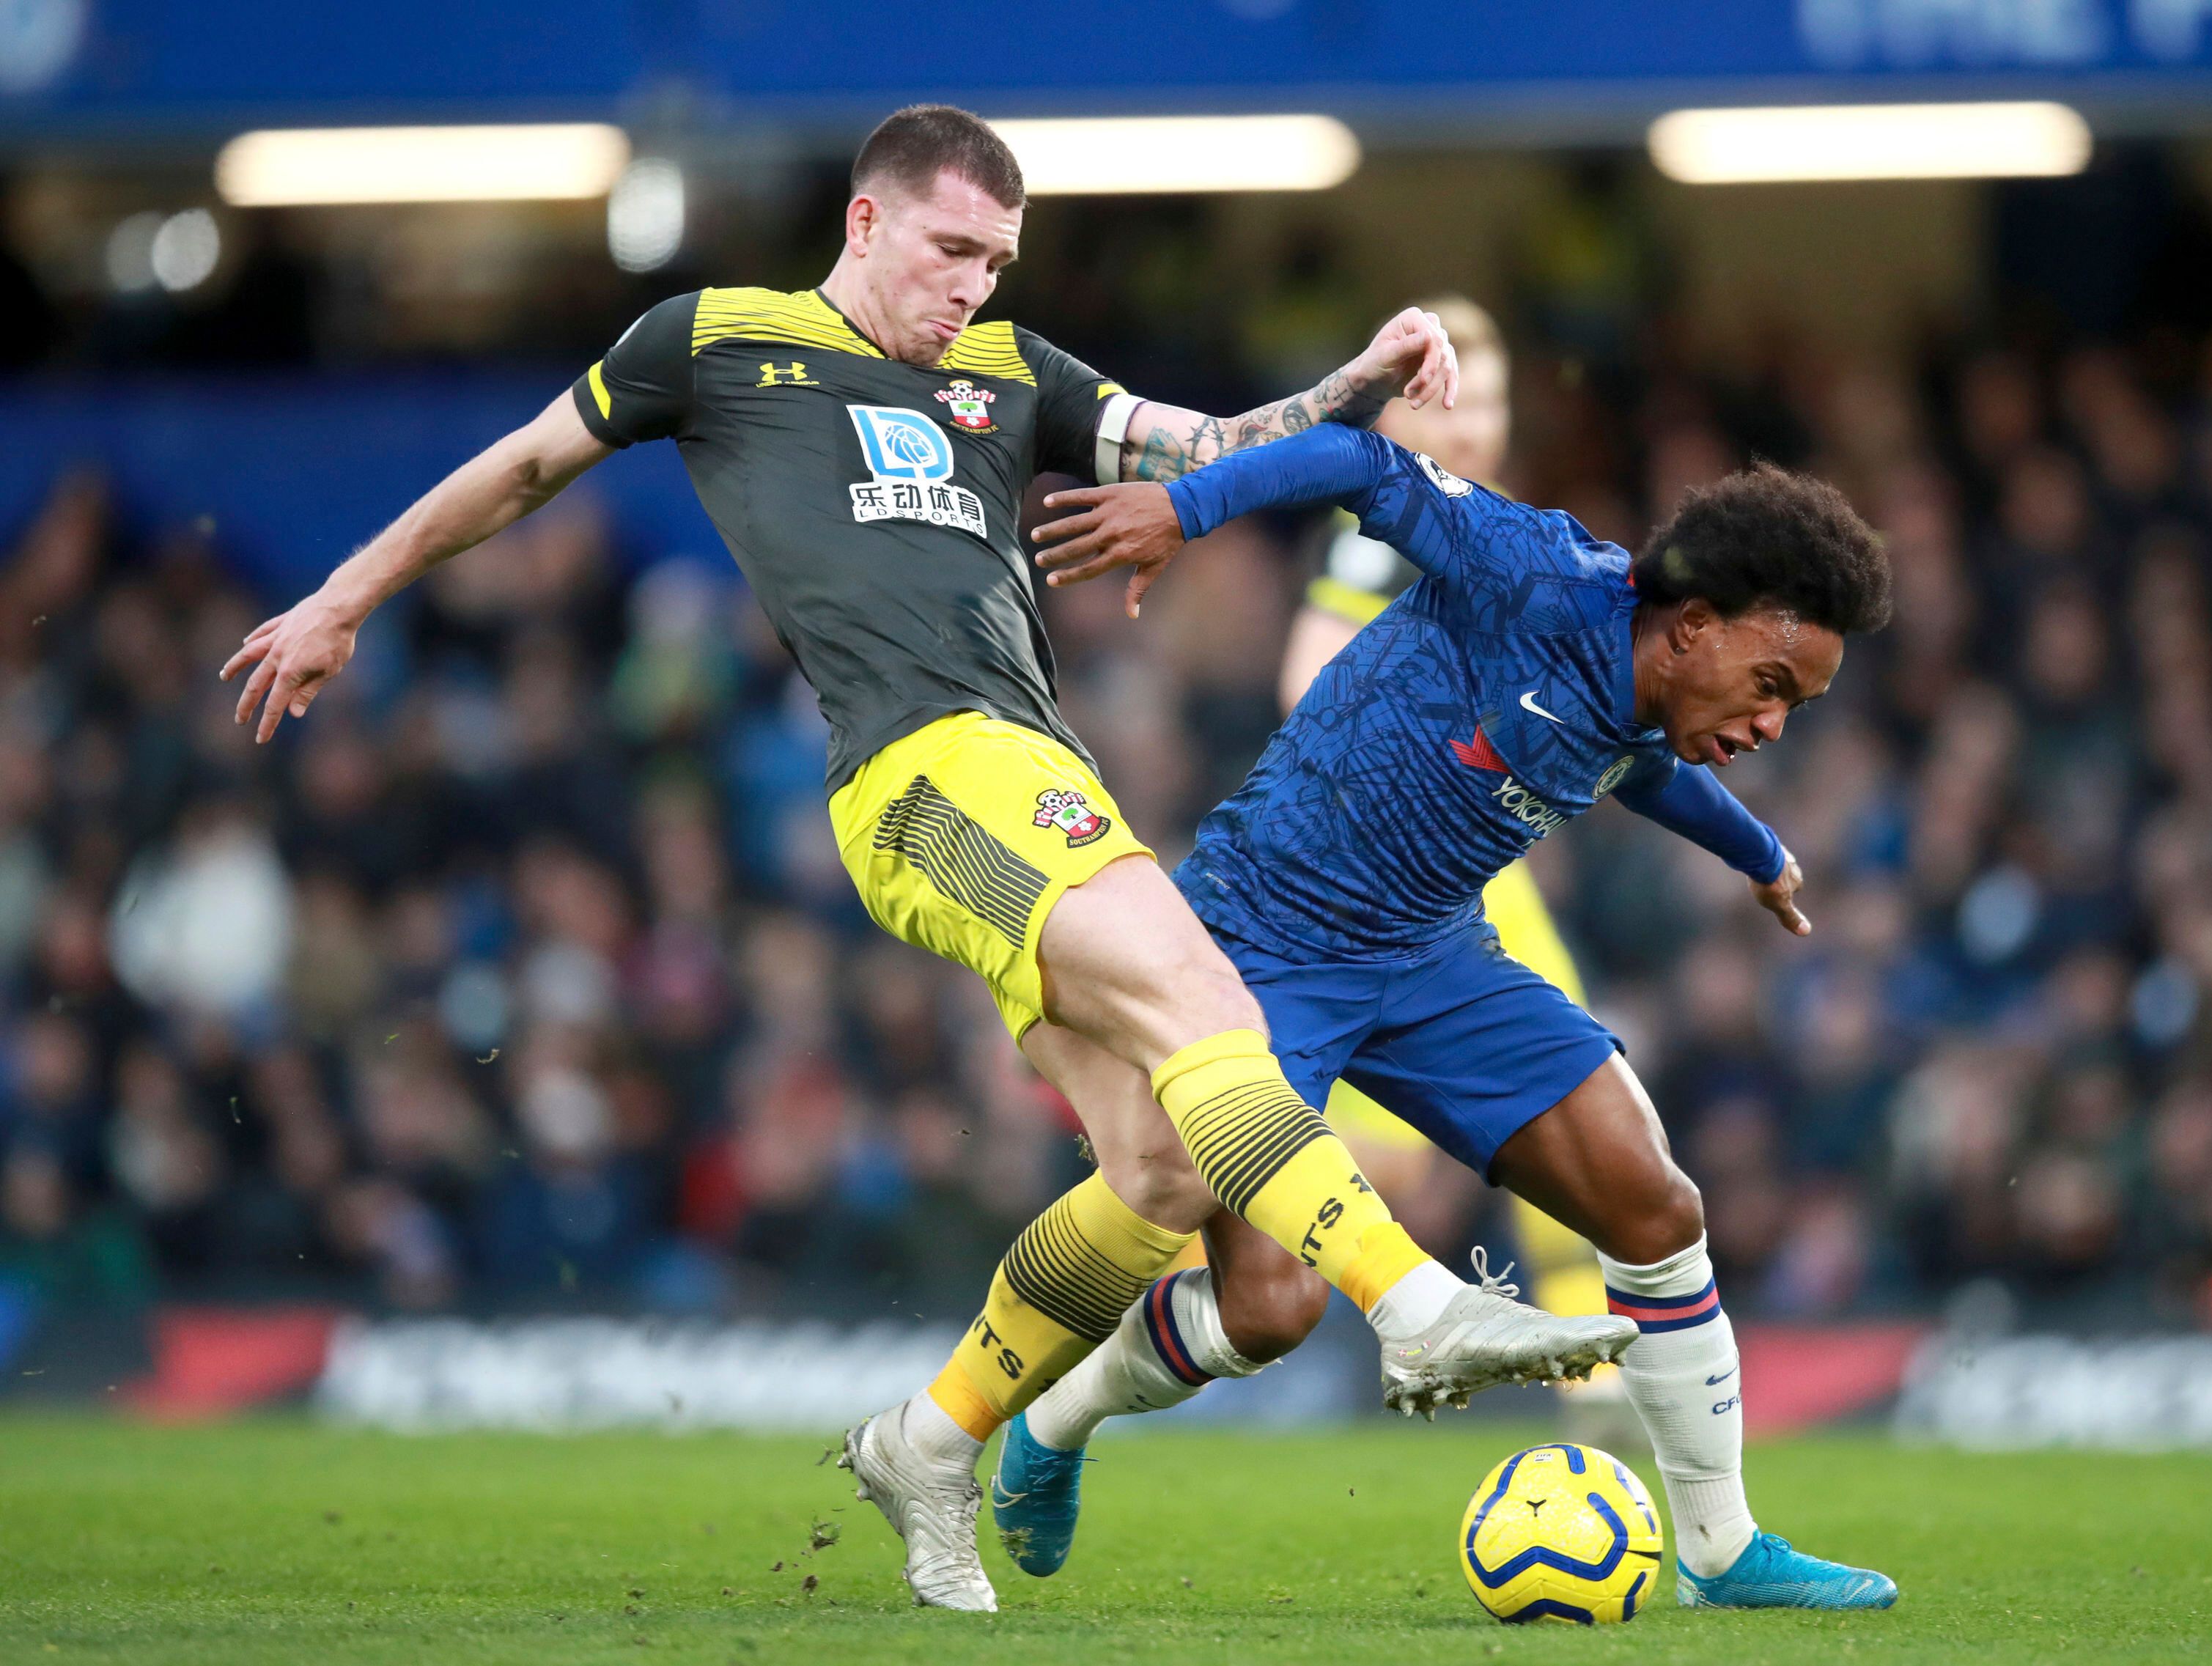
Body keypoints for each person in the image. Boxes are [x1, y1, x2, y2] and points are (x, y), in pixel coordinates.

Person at [216, 105, 1632, 1613]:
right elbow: (519, 469)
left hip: (1038, 770)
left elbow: (1206, 447)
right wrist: (343, 599)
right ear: (867, 221)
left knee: (1160, 1167)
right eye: (952, 249)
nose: (972, 285)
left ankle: (931, 1438)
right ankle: (1415, 1306)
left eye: (997, 260)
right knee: (1207, 1003)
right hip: (918, 770)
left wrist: (1356, 382)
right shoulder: (716, 340)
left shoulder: (1012, 371)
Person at [991, 424, 1903, 1611]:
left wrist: (1757, 850)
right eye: (1773, 686)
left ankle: (1722, 1550)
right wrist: (1185, 509)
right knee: (1270, 1310)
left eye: (1798, 706)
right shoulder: (1534, 570)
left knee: (1655, 1200)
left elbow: (1636, 764)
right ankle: (1056, 1419)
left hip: (1431, 958)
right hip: (1260, 950)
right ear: (1692, 627)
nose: (1775, 724)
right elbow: (1362, 462)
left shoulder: (1648, 697)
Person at [1275, 295, 1613, 1345]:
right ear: (1396, 414)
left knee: (1459, 1124)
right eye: (1450, 400)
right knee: (1558, 1075)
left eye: (1492, 401)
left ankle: (1584, 1355)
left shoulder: (1476, 522)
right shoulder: (1390, 527)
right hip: (1409, 855)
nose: (1474, 427)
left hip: (1439, 857)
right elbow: (1304, 678)